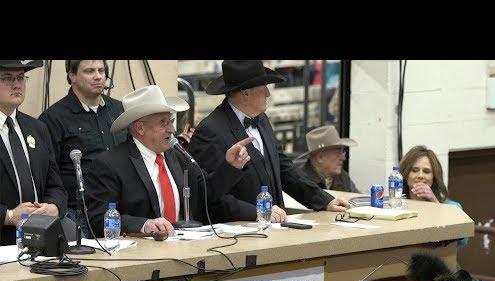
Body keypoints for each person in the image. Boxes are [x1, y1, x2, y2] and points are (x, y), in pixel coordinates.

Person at [188, 60, 351, 223]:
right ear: (245, 93)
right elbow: (208, 194)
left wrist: (324, 199)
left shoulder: (261, 119)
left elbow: (284, 168)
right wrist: (256, 211)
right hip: (238, 232)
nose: (268, 93)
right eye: (263, 87)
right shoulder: (210, 131)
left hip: (276, 226)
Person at [85, 85, 251, 238]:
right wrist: (144, 224)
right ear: (140, 128)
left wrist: (230, 166)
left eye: (170, 121)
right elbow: (99, 218)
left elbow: (206, 192)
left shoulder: (176, 154)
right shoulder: (109, 164)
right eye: (163, 122)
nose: (172, 129)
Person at [38, 60, 125, 236]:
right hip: (78, 212)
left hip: (119, 208)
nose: (98, 76)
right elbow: (48, 174)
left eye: (101, 70)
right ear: (72, 76)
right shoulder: (53, 118)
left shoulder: (119, 110)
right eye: (90, 71)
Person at [0, 60, 67, 246]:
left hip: (41, 236)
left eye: (21, 78)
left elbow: (56, 185)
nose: (16, 85)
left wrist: (54, 207)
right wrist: (9, 215)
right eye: (7, 78)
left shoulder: (37, 128)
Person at [399, 145, 469, 246]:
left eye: (426, 171)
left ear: (434, 177)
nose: (420, 176)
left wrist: (436, 205)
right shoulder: (397, 206)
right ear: (405, 174)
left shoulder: (452, 207)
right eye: (414, 170)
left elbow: (463, 241)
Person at [297, 125, 359, 193]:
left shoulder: (343, 177)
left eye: (343, 152)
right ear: (320, 157)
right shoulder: (300, 180)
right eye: (338, 153)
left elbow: (357, 199)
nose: (343, 158)